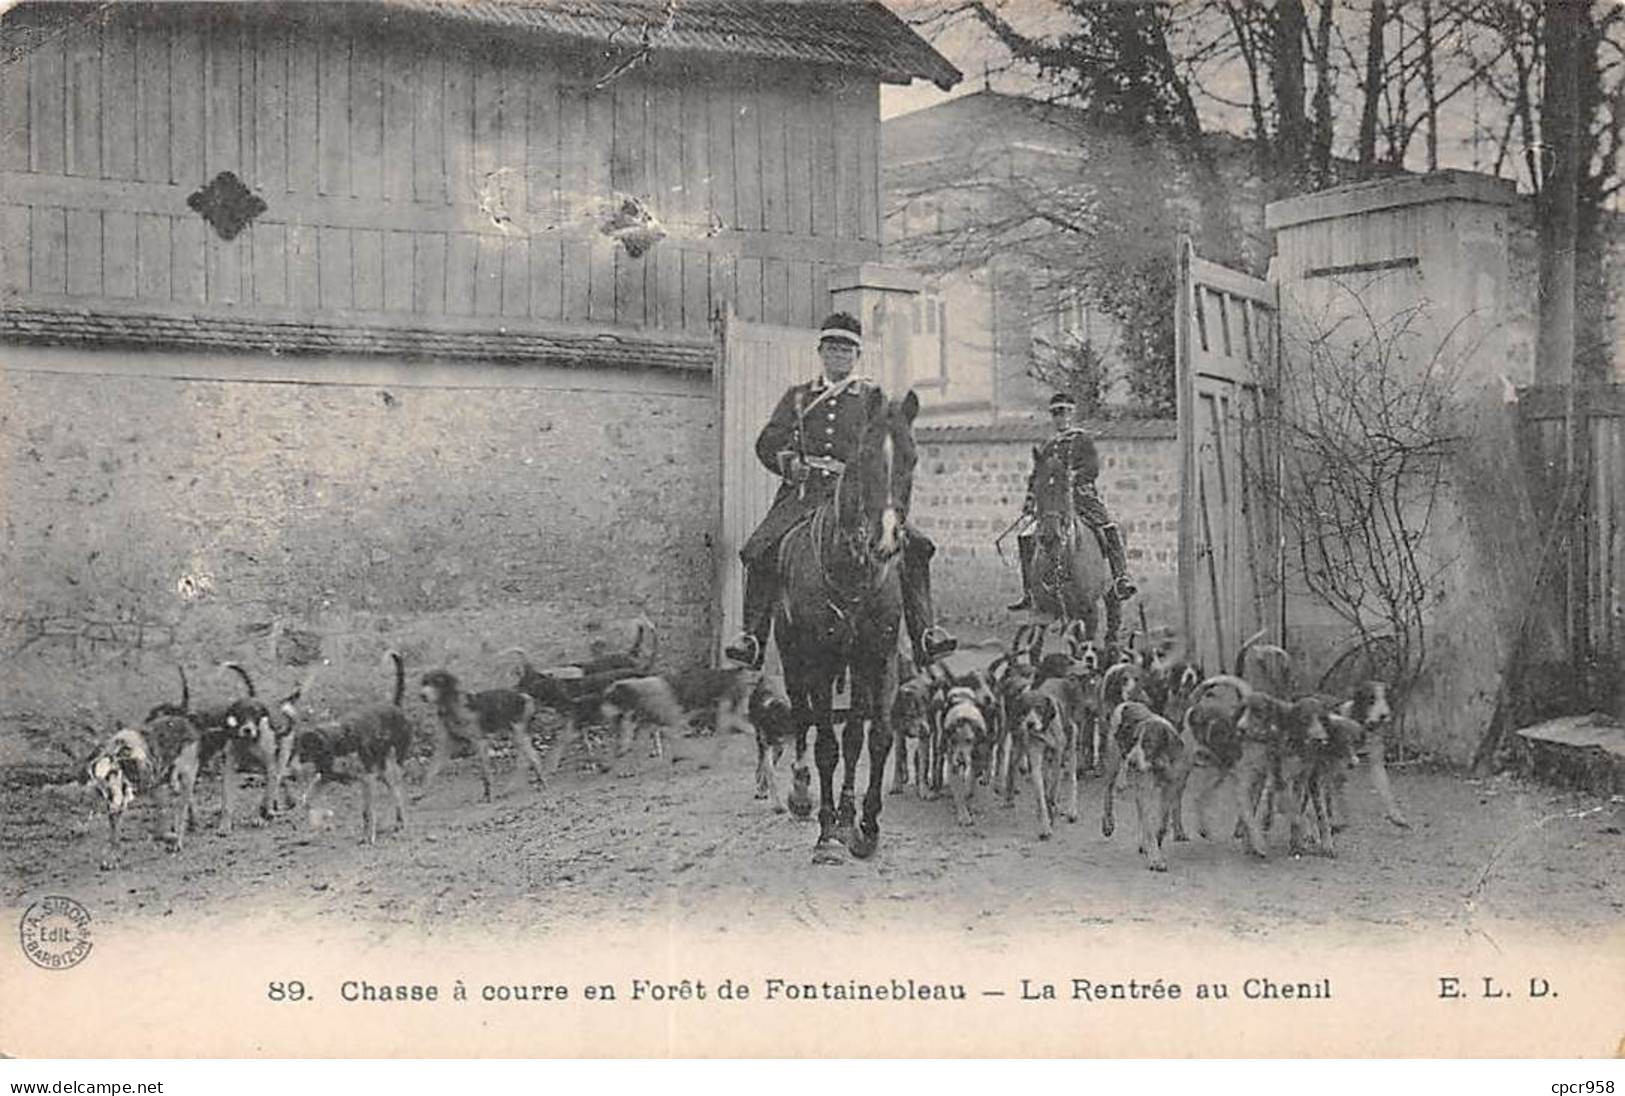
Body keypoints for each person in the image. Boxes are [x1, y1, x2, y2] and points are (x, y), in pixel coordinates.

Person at [723, 312, 957, 671]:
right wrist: (789, 463)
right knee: (758, 549)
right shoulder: (799, 398)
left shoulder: (871, 399)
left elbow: (889, 446)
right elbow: (767, 442)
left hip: (859, 497)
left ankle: (925, 633)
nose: (839, 357)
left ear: (856, 356)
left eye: (846, 350)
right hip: (803, 493)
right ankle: (752, 637)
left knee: (918, 547)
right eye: (832, 349)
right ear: (821, 353)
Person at [1007, 391, 1138, 610]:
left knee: (1109, 527)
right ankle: (1030, 591)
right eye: (1056, 414)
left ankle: (1121, 578)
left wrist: (1073, 477)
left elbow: (1092, 468)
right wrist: (1030, 499)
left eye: (1064, 412)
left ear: (1072, 414)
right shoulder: (1048, 446)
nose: (1060, 418)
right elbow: (1037, 475)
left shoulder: (1083, 440)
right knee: (1026, 536)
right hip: (1054, 506)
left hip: (1082, 498)